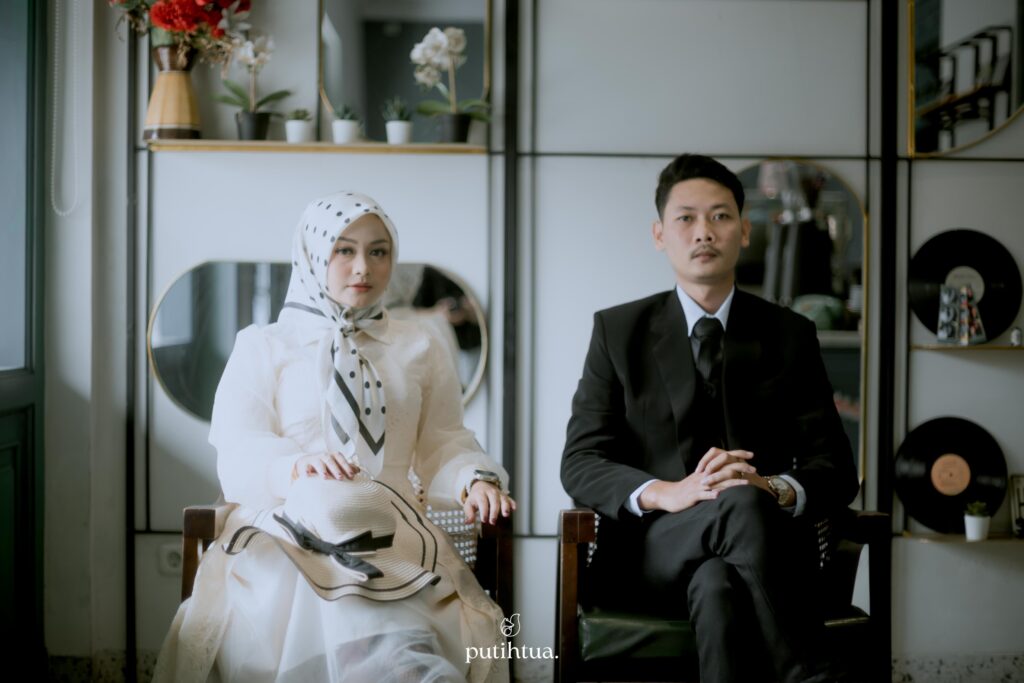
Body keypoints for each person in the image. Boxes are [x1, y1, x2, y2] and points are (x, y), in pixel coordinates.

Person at [154, 191, 516, 683]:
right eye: (343, 250)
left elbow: (444, 441)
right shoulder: (263, 345)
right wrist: (295, 467)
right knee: (328, 582)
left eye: (378, 251)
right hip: (287, 536)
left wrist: (474, 479)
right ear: (311, 254)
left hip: (392, 533)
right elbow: (237, 451)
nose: (363, 267)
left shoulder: (421, 345)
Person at [561, 154, 859, 682]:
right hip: (653, 552)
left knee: (718, 583)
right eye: (686, 218)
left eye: (720, 216)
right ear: (660, 234)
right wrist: (666, 492)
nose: (704, 232)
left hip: (756, 557)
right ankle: (810, 674)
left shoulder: (789, 335)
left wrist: (773, 488)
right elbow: (581, 461)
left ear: (744, 231)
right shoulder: (619, 331)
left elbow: (835, 468)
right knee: (737, 504)